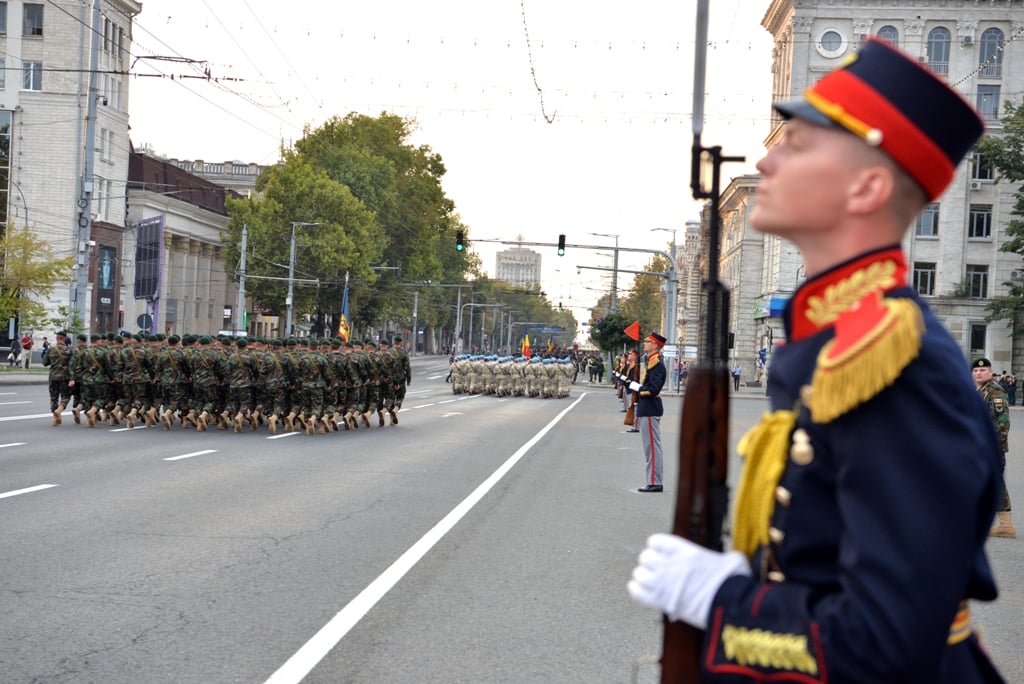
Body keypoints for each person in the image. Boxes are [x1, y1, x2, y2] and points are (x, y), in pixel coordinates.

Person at [628, 39, 1005, 682]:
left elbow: (885, 643)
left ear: (867, 187)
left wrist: (725, 601)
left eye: (798, 146)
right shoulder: (833, 341)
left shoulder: (891, 361)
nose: (766, 161)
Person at [974, 358, 1016, 539]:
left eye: (983, 370)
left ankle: (1005, 525)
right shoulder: (980, 391)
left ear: (991, 372)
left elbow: (1002, 422)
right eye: (976, 370)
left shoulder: (995, 391)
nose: (978, 373)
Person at [630, 332, 666, 492]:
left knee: (652, 448)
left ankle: (654, 482)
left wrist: (639, 388)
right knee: (649, 448)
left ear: (655, 346)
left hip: (650, 408)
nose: (645, 343)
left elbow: (653, 389)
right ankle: (653, 480)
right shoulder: (651, 361)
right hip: (647, 408)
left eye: (648, 342)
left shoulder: (657, 364)